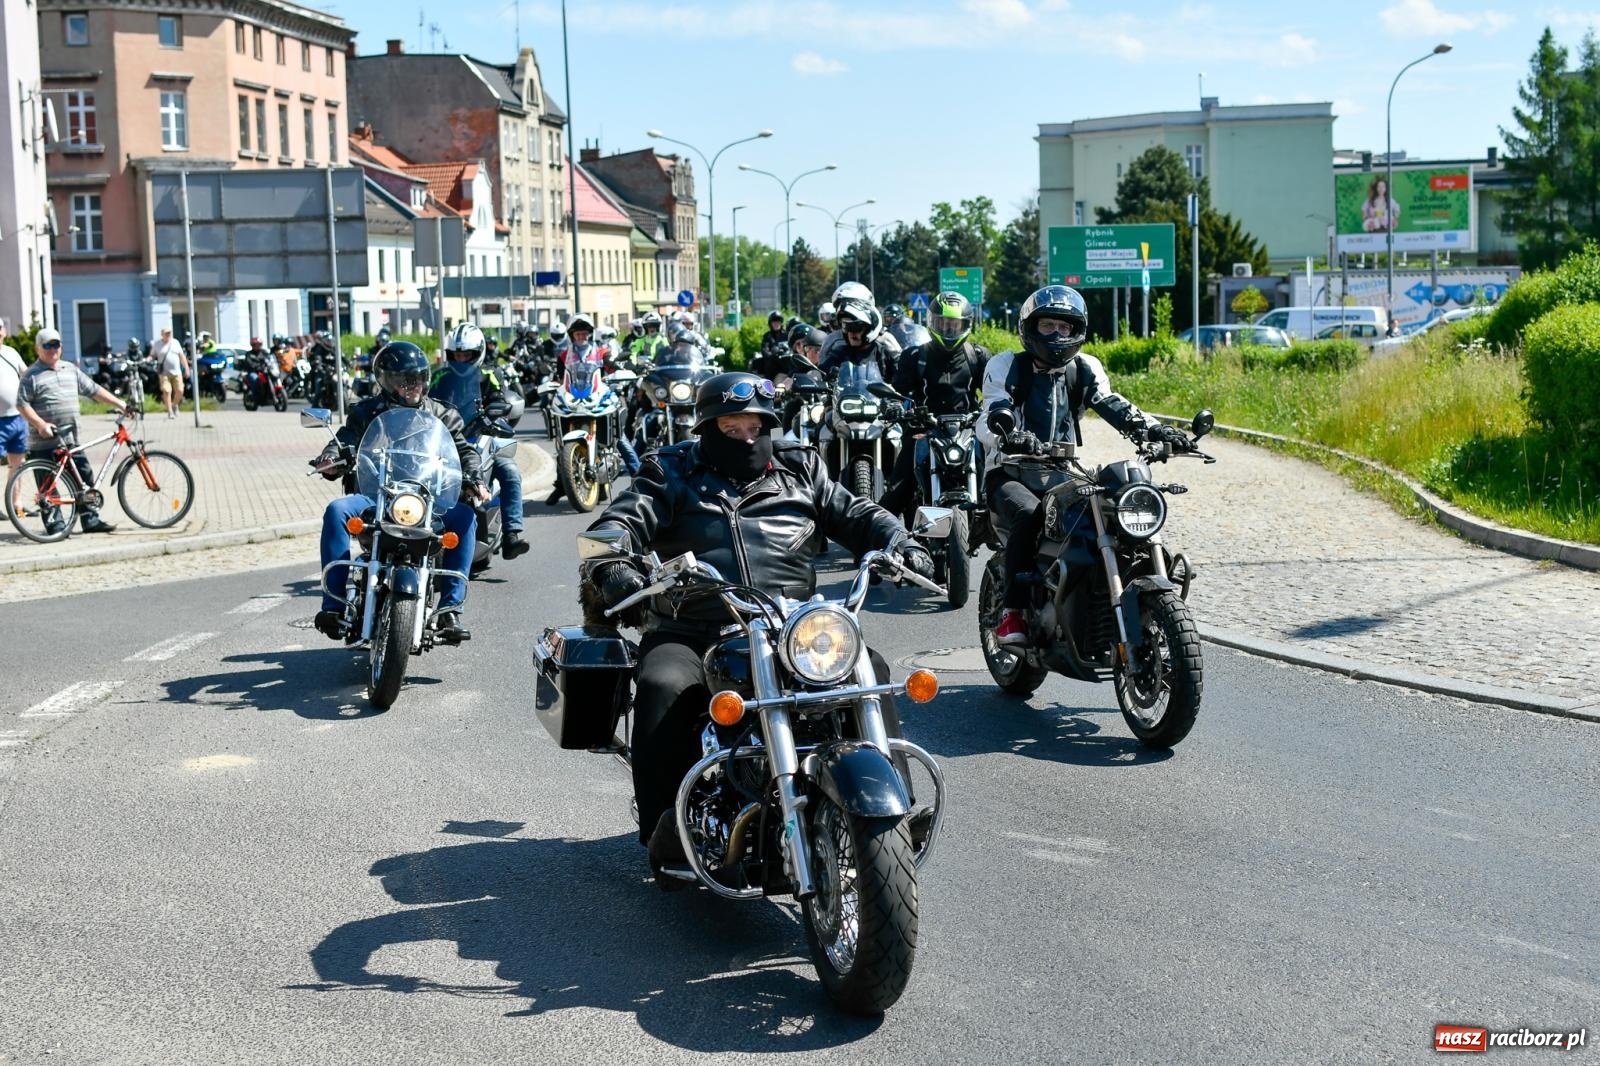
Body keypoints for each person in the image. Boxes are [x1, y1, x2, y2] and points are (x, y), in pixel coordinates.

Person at [578, 371, 935, 877]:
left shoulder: (800, 468)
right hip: (694, 627)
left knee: (868, 667)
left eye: (755, 424)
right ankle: (667, 828)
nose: (747, 435)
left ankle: (891, 811)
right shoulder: (671, 472)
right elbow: (620, 522)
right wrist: (614, 561)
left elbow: (854, 513)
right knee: (662, 683)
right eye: (732, 426)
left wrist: (900, 541)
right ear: (707, 428)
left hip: (789, 626)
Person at [976, 285, 1189, 646]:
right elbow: (994, 409)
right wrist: (1009, 433)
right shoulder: (1008, 364)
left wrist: (1156, 429)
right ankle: (1013, 613)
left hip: (1062, 472)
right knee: (1029, 515)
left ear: (1078, 331)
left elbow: (1112, 403)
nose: (1057, 335)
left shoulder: (1084, 368)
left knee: (1110, 512)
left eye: (1065, 327)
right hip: (1010, 472)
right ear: (1030, 327)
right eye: (1048, 327)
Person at [310, 342, 483, 644]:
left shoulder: (443, 415)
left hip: (427, 500)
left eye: (417, 377)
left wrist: (473, 477)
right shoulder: (365, 412)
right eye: (404, 379)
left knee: (466, 516)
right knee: (337, 510)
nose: (413, 385)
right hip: (375, 496)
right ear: (386, 381)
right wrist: (331, 459)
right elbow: (344, 440)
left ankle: (450, 609)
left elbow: (464, 450)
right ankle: (335, 606)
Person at [878, 291, 989, 520]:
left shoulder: (977, 356)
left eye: (954, 325)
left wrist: (998, 410)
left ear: (965, 325)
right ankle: (876, 539)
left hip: (968, 428)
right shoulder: (915, 356)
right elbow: (898, 392)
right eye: (943, 323)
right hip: (924, 427)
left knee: (999, 477)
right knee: (898, 488)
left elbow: (995, 391)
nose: (949, 330)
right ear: (931, 323)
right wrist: (893, 405)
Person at [15, 328, 131, 534]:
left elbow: (94, 390)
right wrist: (41, 425)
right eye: (47, 345)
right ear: (37, 348)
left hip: (70, 439)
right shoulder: (31, 375)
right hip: (44, 441)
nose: (52, 349)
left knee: (84, 477)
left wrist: (120, 403)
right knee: (47, 486)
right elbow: (22, 405)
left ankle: (90, 519)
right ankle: (55, 524)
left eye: (56, 344)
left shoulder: (70, 369)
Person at [429, 323, 529, 561]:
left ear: (478, 353)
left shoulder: (491, 373)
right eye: (457, 355)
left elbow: (499, 399)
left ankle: (511, 536)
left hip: (480, 435)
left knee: (510, 471)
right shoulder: (440, 375)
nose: (462, 359)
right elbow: (429, 400)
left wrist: (494, 414)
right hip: (445, 438)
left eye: (467, 355)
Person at [0, 318, 28, 478]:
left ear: (4, 331)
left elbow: (27, 375)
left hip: (18, 417)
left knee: (18, 464)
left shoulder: (11, 352)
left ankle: (15, 502)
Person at [149, 327, 188, 419]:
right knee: (166, 391)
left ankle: (174, 405)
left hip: (177, 372)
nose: (168, 335)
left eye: (169, 333)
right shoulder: (157, 344)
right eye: (166, 333)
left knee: (180, 390)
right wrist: (149, 359)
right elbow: (152, 355)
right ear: (162, 334)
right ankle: (170, 411)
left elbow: (182, 356)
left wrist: (186, 368)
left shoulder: (175, 342)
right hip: (164, 373)